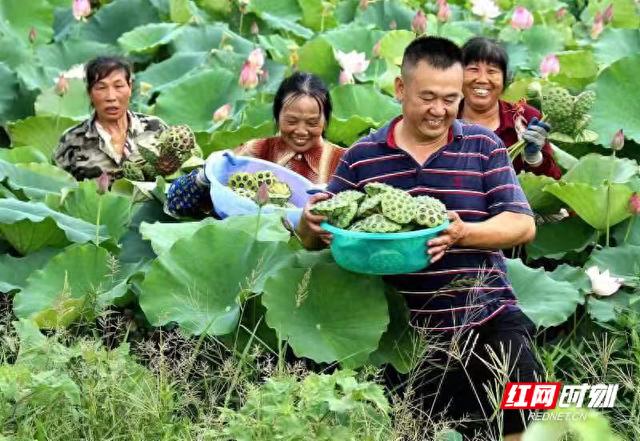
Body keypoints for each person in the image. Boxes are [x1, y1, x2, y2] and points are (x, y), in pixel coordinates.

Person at [298, 36, 540, 440]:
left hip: (486, 314)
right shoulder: (363, 156)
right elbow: (320, 231)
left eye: (450, 98)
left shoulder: (484, 146)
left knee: (527, 400)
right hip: (402, 329)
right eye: (427, 97)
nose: (439, 110)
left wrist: (463, 232)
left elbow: (522, 224)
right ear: (400, 89)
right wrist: (308, 224)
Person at [166, 71, 345, 218]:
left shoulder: (344, 163)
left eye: (312, 123)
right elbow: (175, 203)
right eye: (291, 121)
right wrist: (203, 176)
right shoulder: (254, 151)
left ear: (326, 121)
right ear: (276, 116)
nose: (301, 131)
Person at [459, 37, 562, 180]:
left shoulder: (527, 117)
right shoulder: (443, 116)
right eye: (473, 69)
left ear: (505, 79)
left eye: (492, 71)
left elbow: (553, 183)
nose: (482, 79)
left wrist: (535, 158)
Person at [54, 56, 168, 181]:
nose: (111, 97)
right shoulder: (71, 140)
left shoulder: (156, 128)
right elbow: (61, 190)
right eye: (101, 88)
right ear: (89, 93)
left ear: (129, 88)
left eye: (118, 86)